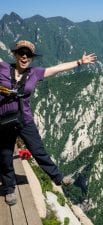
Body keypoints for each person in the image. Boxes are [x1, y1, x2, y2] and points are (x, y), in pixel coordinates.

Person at [0, 40, 97, 205]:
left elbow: (57, 69)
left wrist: (79, 62)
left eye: (28, 54)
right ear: (14, 54)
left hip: (25, 120)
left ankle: (58, 178)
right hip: (4, 120)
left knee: (38, 150)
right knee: (5, 155)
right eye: (21, 52)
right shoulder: (2, 68)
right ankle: (9, 189)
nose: (24, 56)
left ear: (32, 58)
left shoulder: (35, 73)